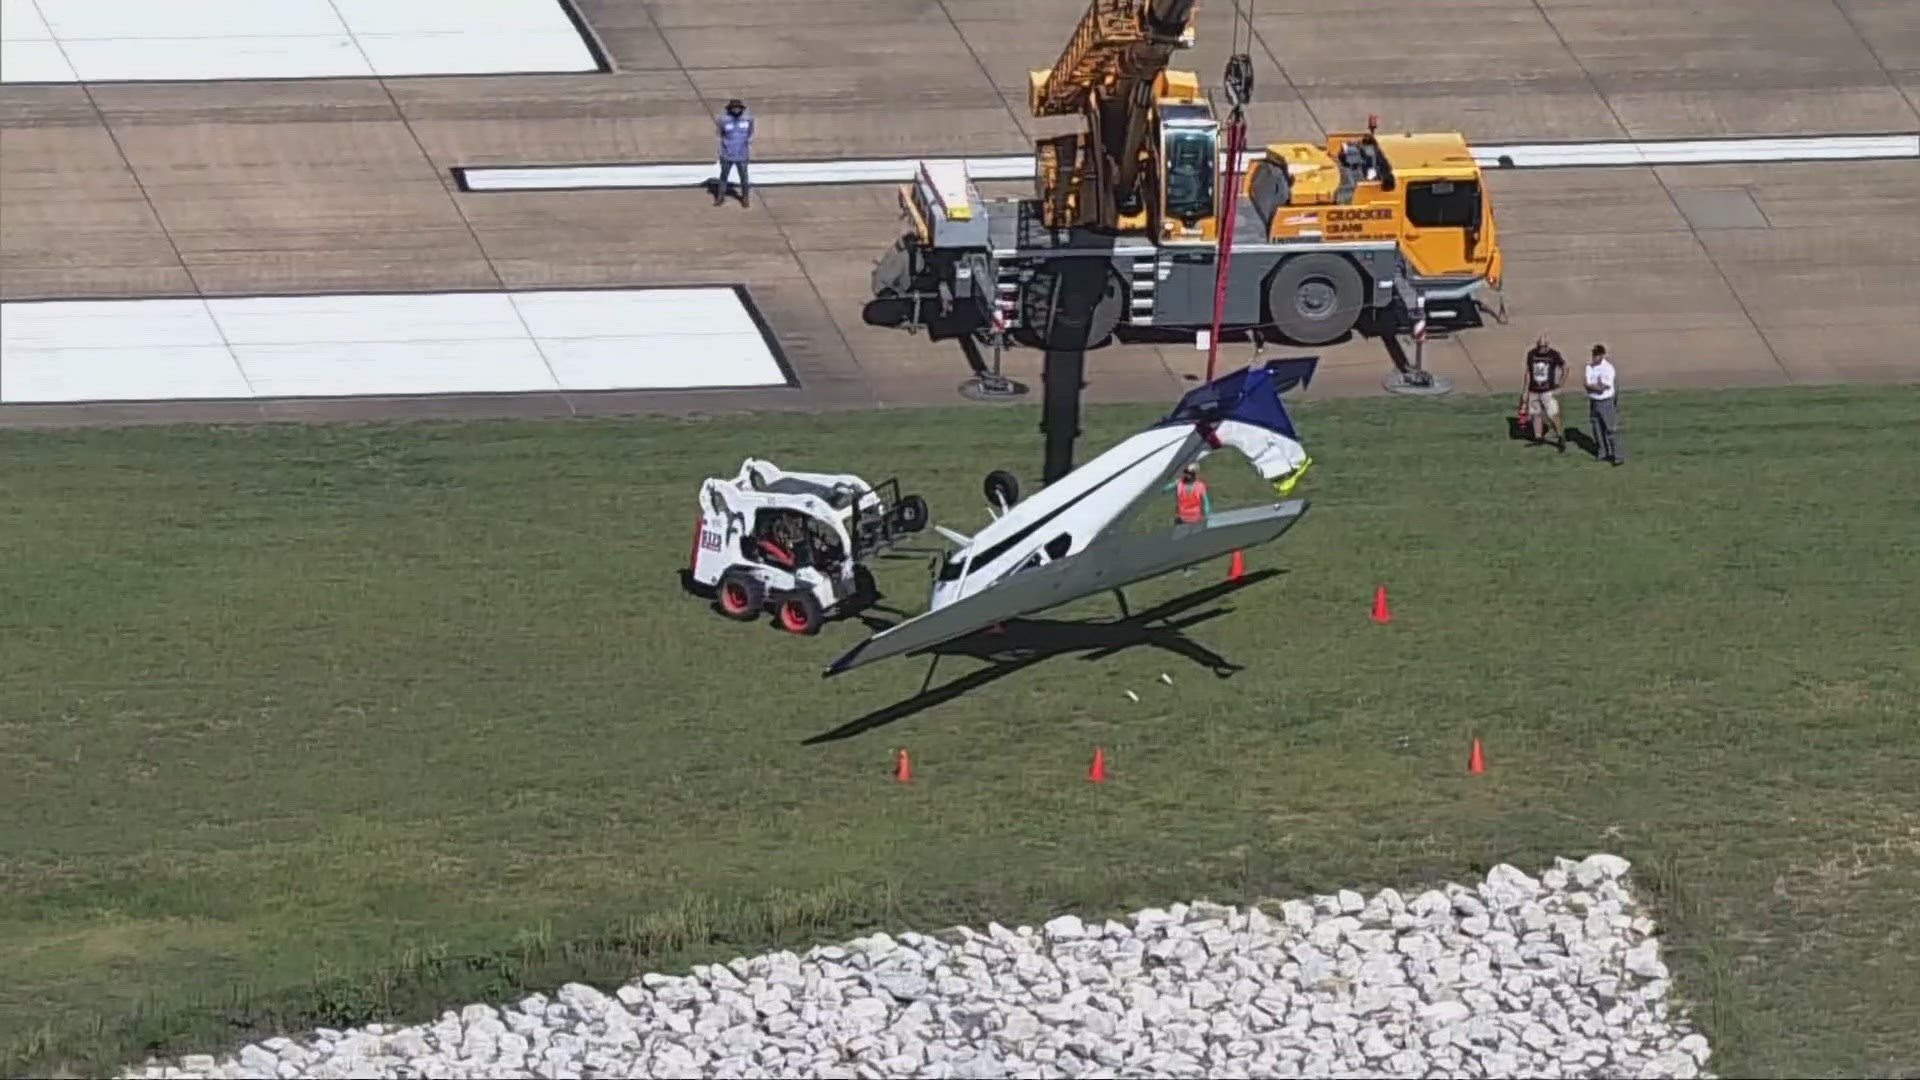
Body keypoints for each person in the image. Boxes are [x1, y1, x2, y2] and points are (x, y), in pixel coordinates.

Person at [1522, 334, 1567, 452]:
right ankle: (1538, 437)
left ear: (1547, 346)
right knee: (1536, 414)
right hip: (1533, 390)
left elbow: (1565, 368)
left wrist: (1560, 384)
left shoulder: (1554, 355)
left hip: (1548, 391)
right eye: (1539, 346)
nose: (1541, 349)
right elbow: (1528, 372)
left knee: (1553, 415)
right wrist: (1525, 391)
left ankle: (1560, 437)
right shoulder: (1531, 354)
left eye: (1543, 346)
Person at [1584, 343, 1624, 466]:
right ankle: (1603, 453)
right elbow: (1587, 384)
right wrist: (1594, 387)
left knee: (1610, 429)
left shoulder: (1608, 368)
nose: (1594, 357)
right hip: (1594, 402)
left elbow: (1603, 387)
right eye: (1593, 354)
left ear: (1602, 355)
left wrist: (1593, 387)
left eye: (1596, 355)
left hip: (1605, 401)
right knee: (1597, 429)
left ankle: (1617, 456)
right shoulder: (1589, 367)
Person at [714, 99, 753, 208]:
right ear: (730, 109)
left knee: (744, 177)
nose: (736, 109)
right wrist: (720, 150)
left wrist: (749, 141)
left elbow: (751, 133)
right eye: (734, 108)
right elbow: (719, 135)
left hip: (742, 153)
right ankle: (720, 197)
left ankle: (745, 198)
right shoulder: (723, 120)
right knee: (723, 176)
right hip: (727, 153)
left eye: (738, 107)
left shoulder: (748, 119)